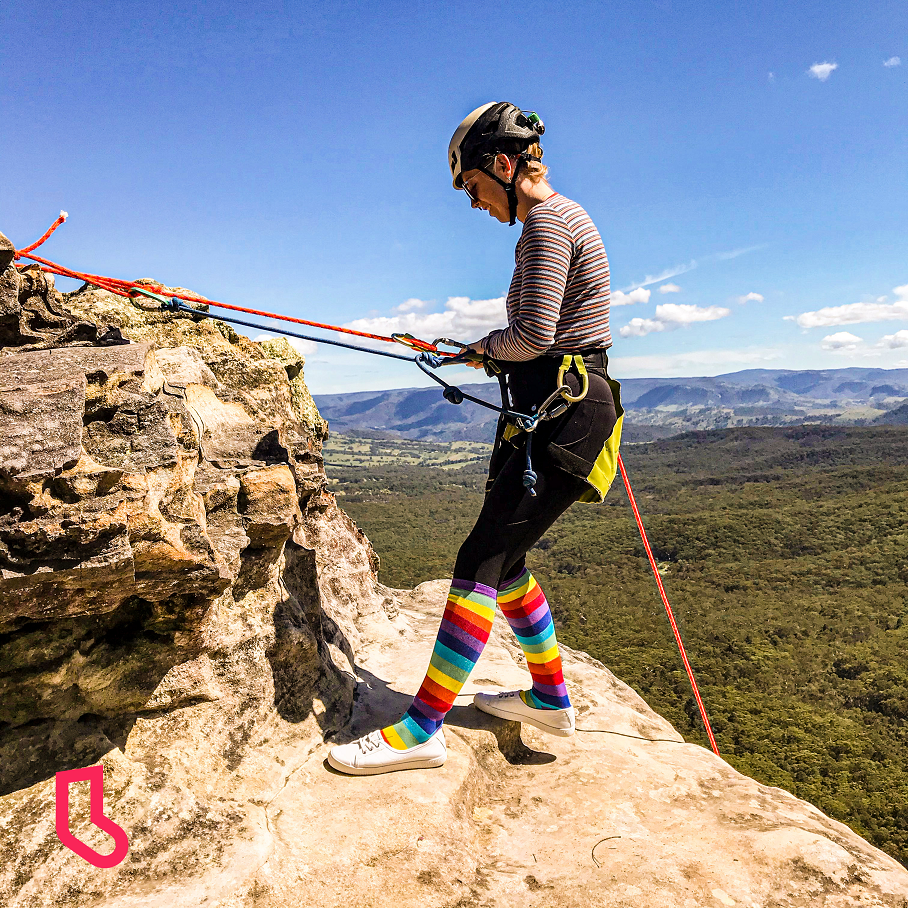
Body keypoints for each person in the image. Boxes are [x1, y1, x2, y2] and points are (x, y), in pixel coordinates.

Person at [328, 102, 623, 775]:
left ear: (501, 163)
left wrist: (479, 349)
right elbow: (540, 342)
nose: (473, 202)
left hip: (562, 408)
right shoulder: (561, 220)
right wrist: (484, 354)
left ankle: (421, 728)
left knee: (480, 559)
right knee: (509, 560)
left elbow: (533, 339)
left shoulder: (547, 226)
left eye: (470, 186)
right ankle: (549, 699)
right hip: (560, 404)